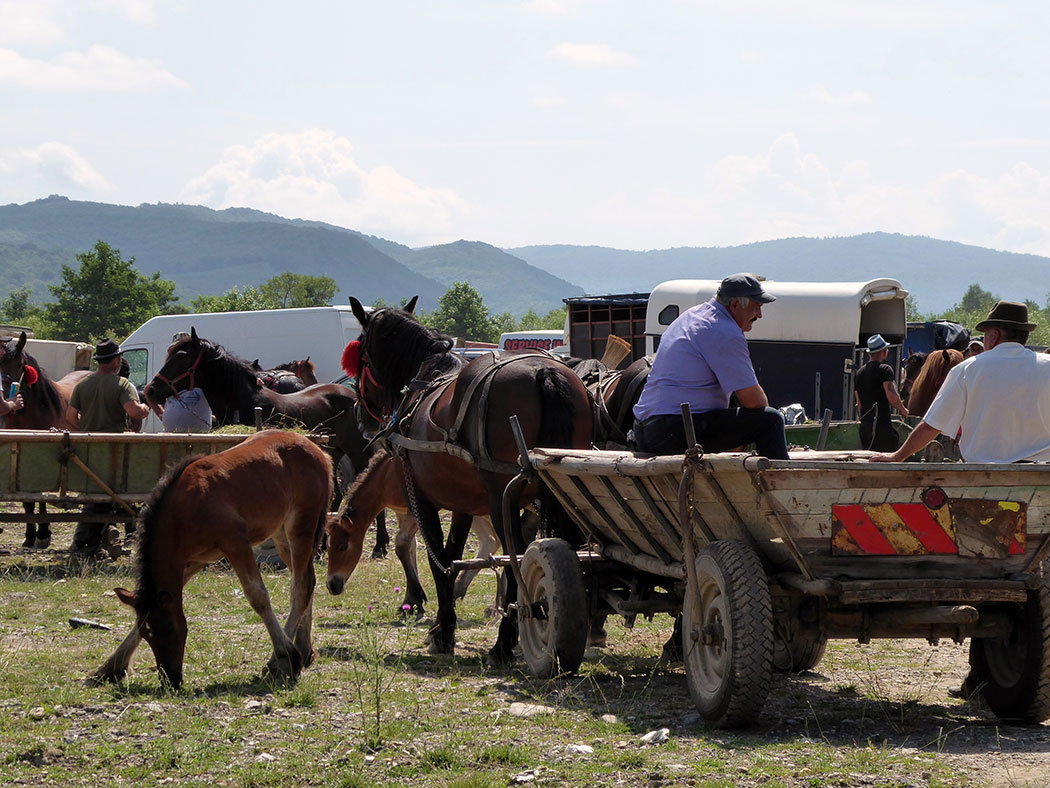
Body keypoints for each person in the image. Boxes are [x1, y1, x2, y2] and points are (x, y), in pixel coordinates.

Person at [871, 301, 1050, 465]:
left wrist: (897, 456)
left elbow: (932, 426)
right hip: (1042, 475)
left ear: (994, 335)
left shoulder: (967, 370)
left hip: (985, 475)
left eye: (985, 334)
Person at [631, 273, 788, 459]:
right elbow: (754, 402)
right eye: (756, 308)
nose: (759, 315)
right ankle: (779, 483)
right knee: (770, 420)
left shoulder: (690, 316)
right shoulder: (724, 331)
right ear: (735, 305)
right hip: (672, 430)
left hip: (642, 430)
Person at [67, 338, 151, 556]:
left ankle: (91, 542)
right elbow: (133, 412)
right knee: (117, 493)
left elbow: (69, 416)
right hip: (114, 450)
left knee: (96, 495)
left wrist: (85, 428)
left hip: (88, 450)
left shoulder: (82, 385)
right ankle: (93, 541)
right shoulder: (122, 385)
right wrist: (144, 409)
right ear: (116, 360)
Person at [854, 334, 908, 452]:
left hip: (865, 428)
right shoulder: (885, 369)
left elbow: (859, 403)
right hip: (881, 428)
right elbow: (892, 396)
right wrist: (902, 409)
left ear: (869, 353)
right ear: (884, 352)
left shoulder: (859, 373)